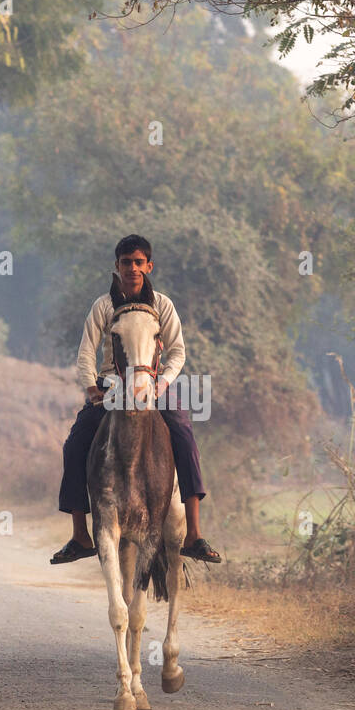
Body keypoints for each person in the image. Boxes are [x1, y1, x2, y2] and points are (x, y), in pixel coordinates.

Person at [50, 234, 222, 565]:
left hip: (153, 383)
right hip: (112, 386)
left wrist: (162, 384)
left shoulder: (163, 305)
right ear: (117, 266)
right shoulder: (103, 306)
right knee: (74, 445)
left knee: (183, 433)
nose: (132, 268)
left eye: (138, 262)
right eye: (126, 262)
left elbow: (178, 351)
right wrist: (91, 388)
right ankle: (80, 535)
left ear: (149, 266)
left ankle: (194, 534)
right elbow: (86, 352)